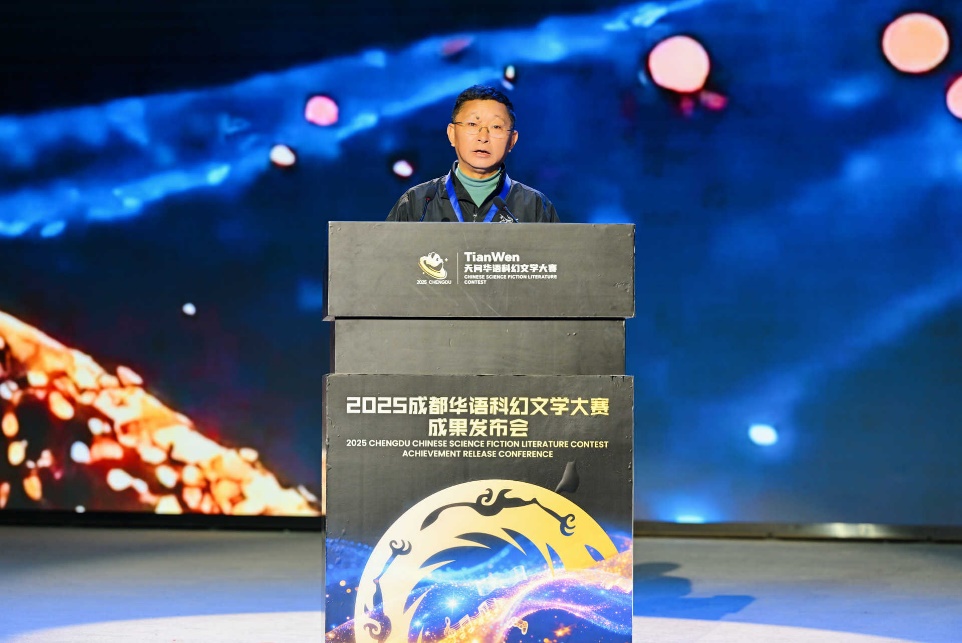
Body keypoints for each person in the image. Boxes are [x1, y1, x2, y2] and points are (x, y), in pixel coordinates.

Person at [387, 85, 560, 223]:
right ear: (452, 134)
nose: (483, 137)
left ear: (512, 141)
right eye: (472, 125)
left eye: (496, 127)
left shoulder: (535, 206)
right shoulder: (417, 202)